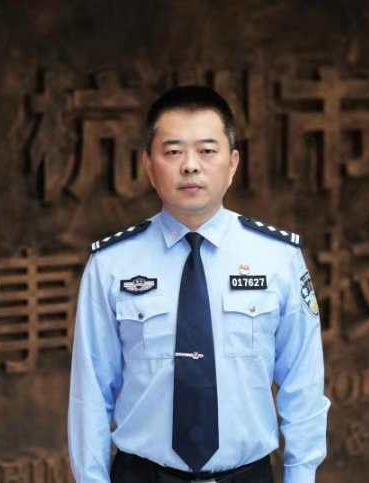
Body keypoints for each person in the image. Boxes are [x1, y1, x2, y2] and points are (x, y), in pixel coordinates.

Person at [68, 85, 330, 483]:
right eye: (173, 152)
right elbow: (90, 393)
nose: (190, 166)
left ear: (233, 163)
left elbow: (303, 382)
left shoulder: (278, 258)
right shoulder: (111, 264)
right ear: (149, 165)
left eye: (207, 151)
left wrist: (301, 474)